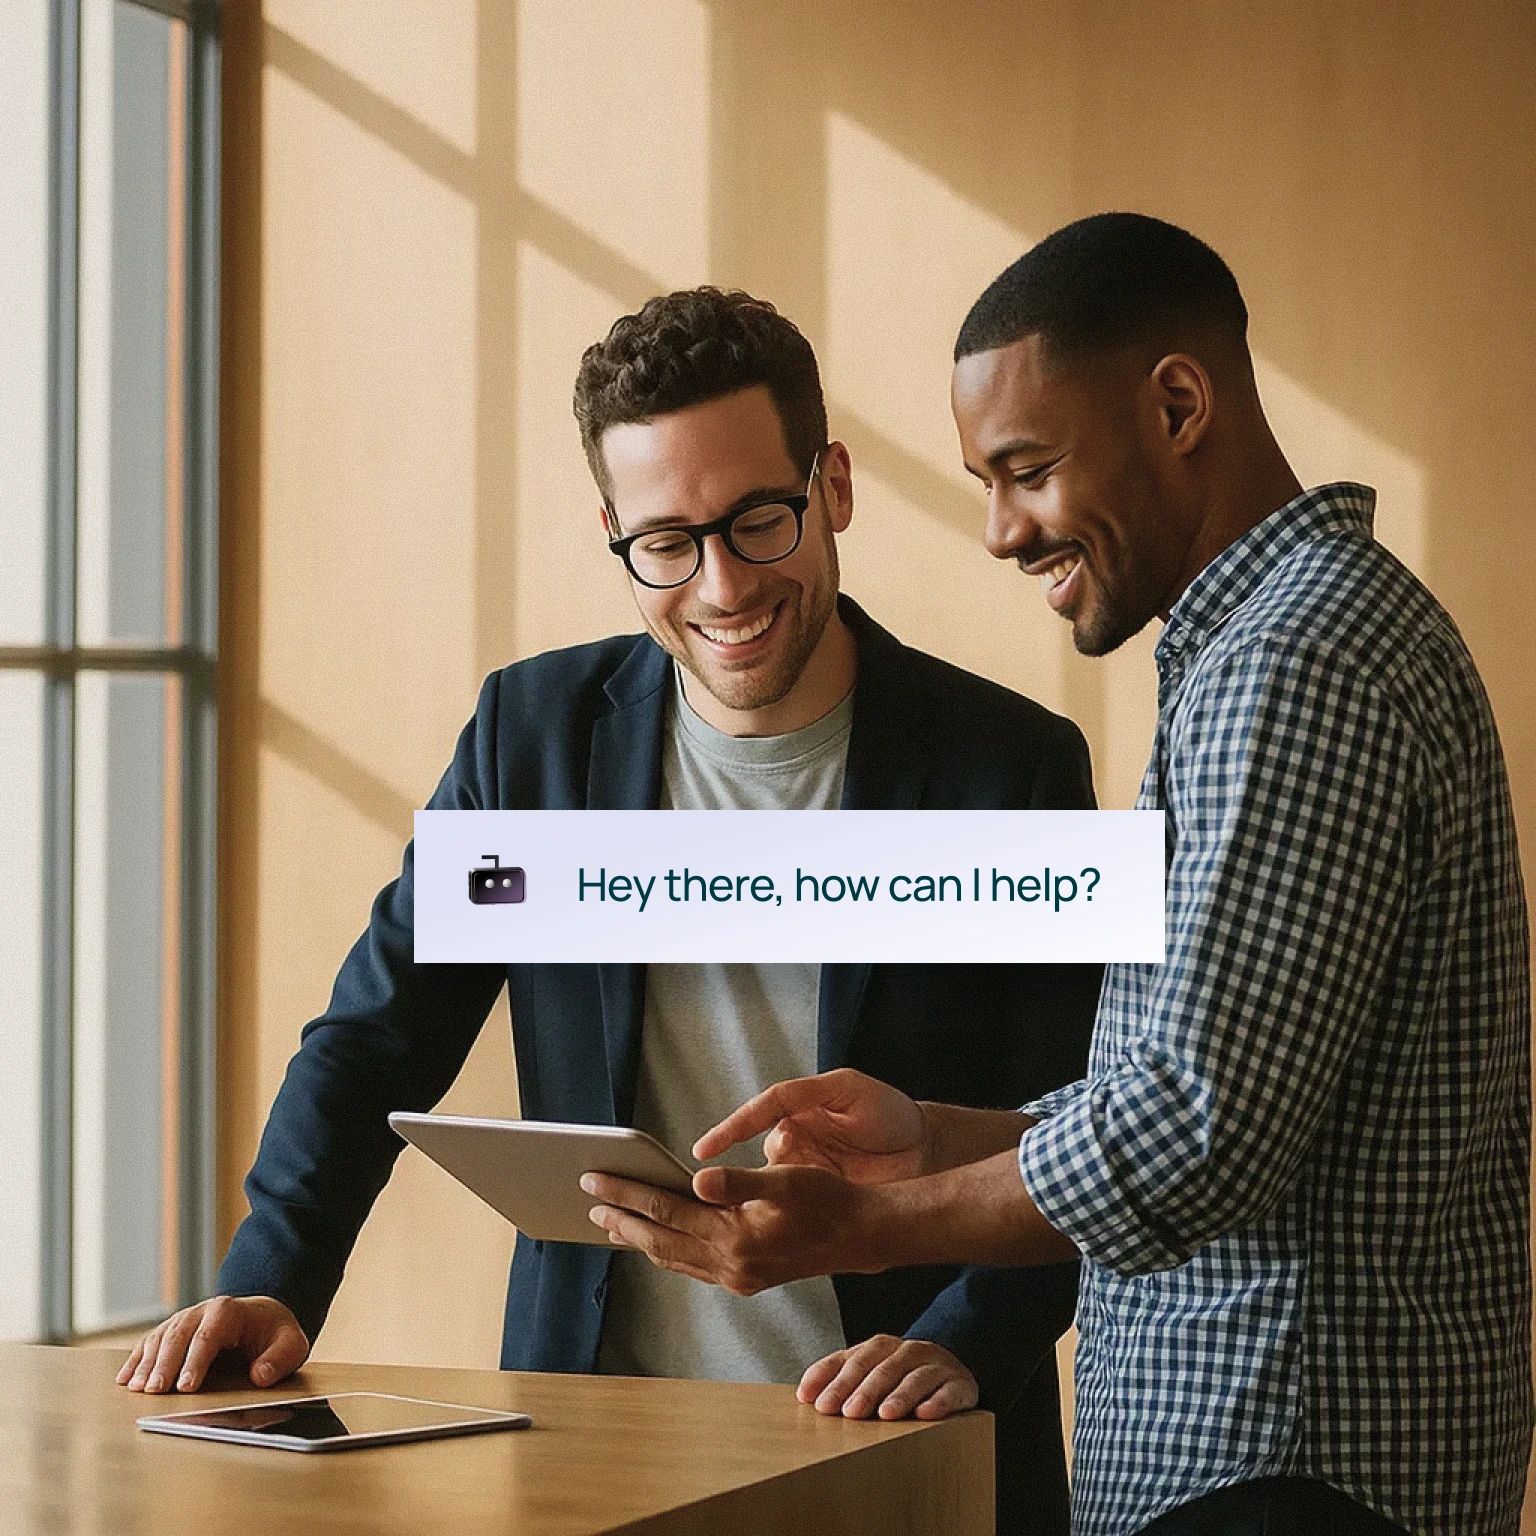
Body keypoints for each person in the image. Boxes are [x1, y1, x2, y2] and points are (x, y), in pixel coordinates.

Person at [580, 217, 1534, 1535]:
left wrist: (862, 1227)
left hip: (1282, 1470)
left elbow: (1194, 1139)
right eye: (983, 481)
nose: (1000, 530)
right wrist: (942, 1133)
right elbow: (1209, 1092)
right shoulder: (1267, 651)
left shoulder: (1293, 668)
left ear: (1180, 404)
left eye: (1026, 469)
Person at [118, 288, 1103, 1533]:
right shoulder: (528, 741)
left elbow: (1075, 1132)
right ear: (613, 532)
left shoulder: (1009, 771)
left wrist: (965, 1341)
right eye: (666, 542)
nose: (722, 584)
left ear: (833, 486)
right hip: (599, 1450)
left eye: (759, 520)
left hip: (898, 1443)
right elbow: (377, 1033)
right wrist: (272, 1282)